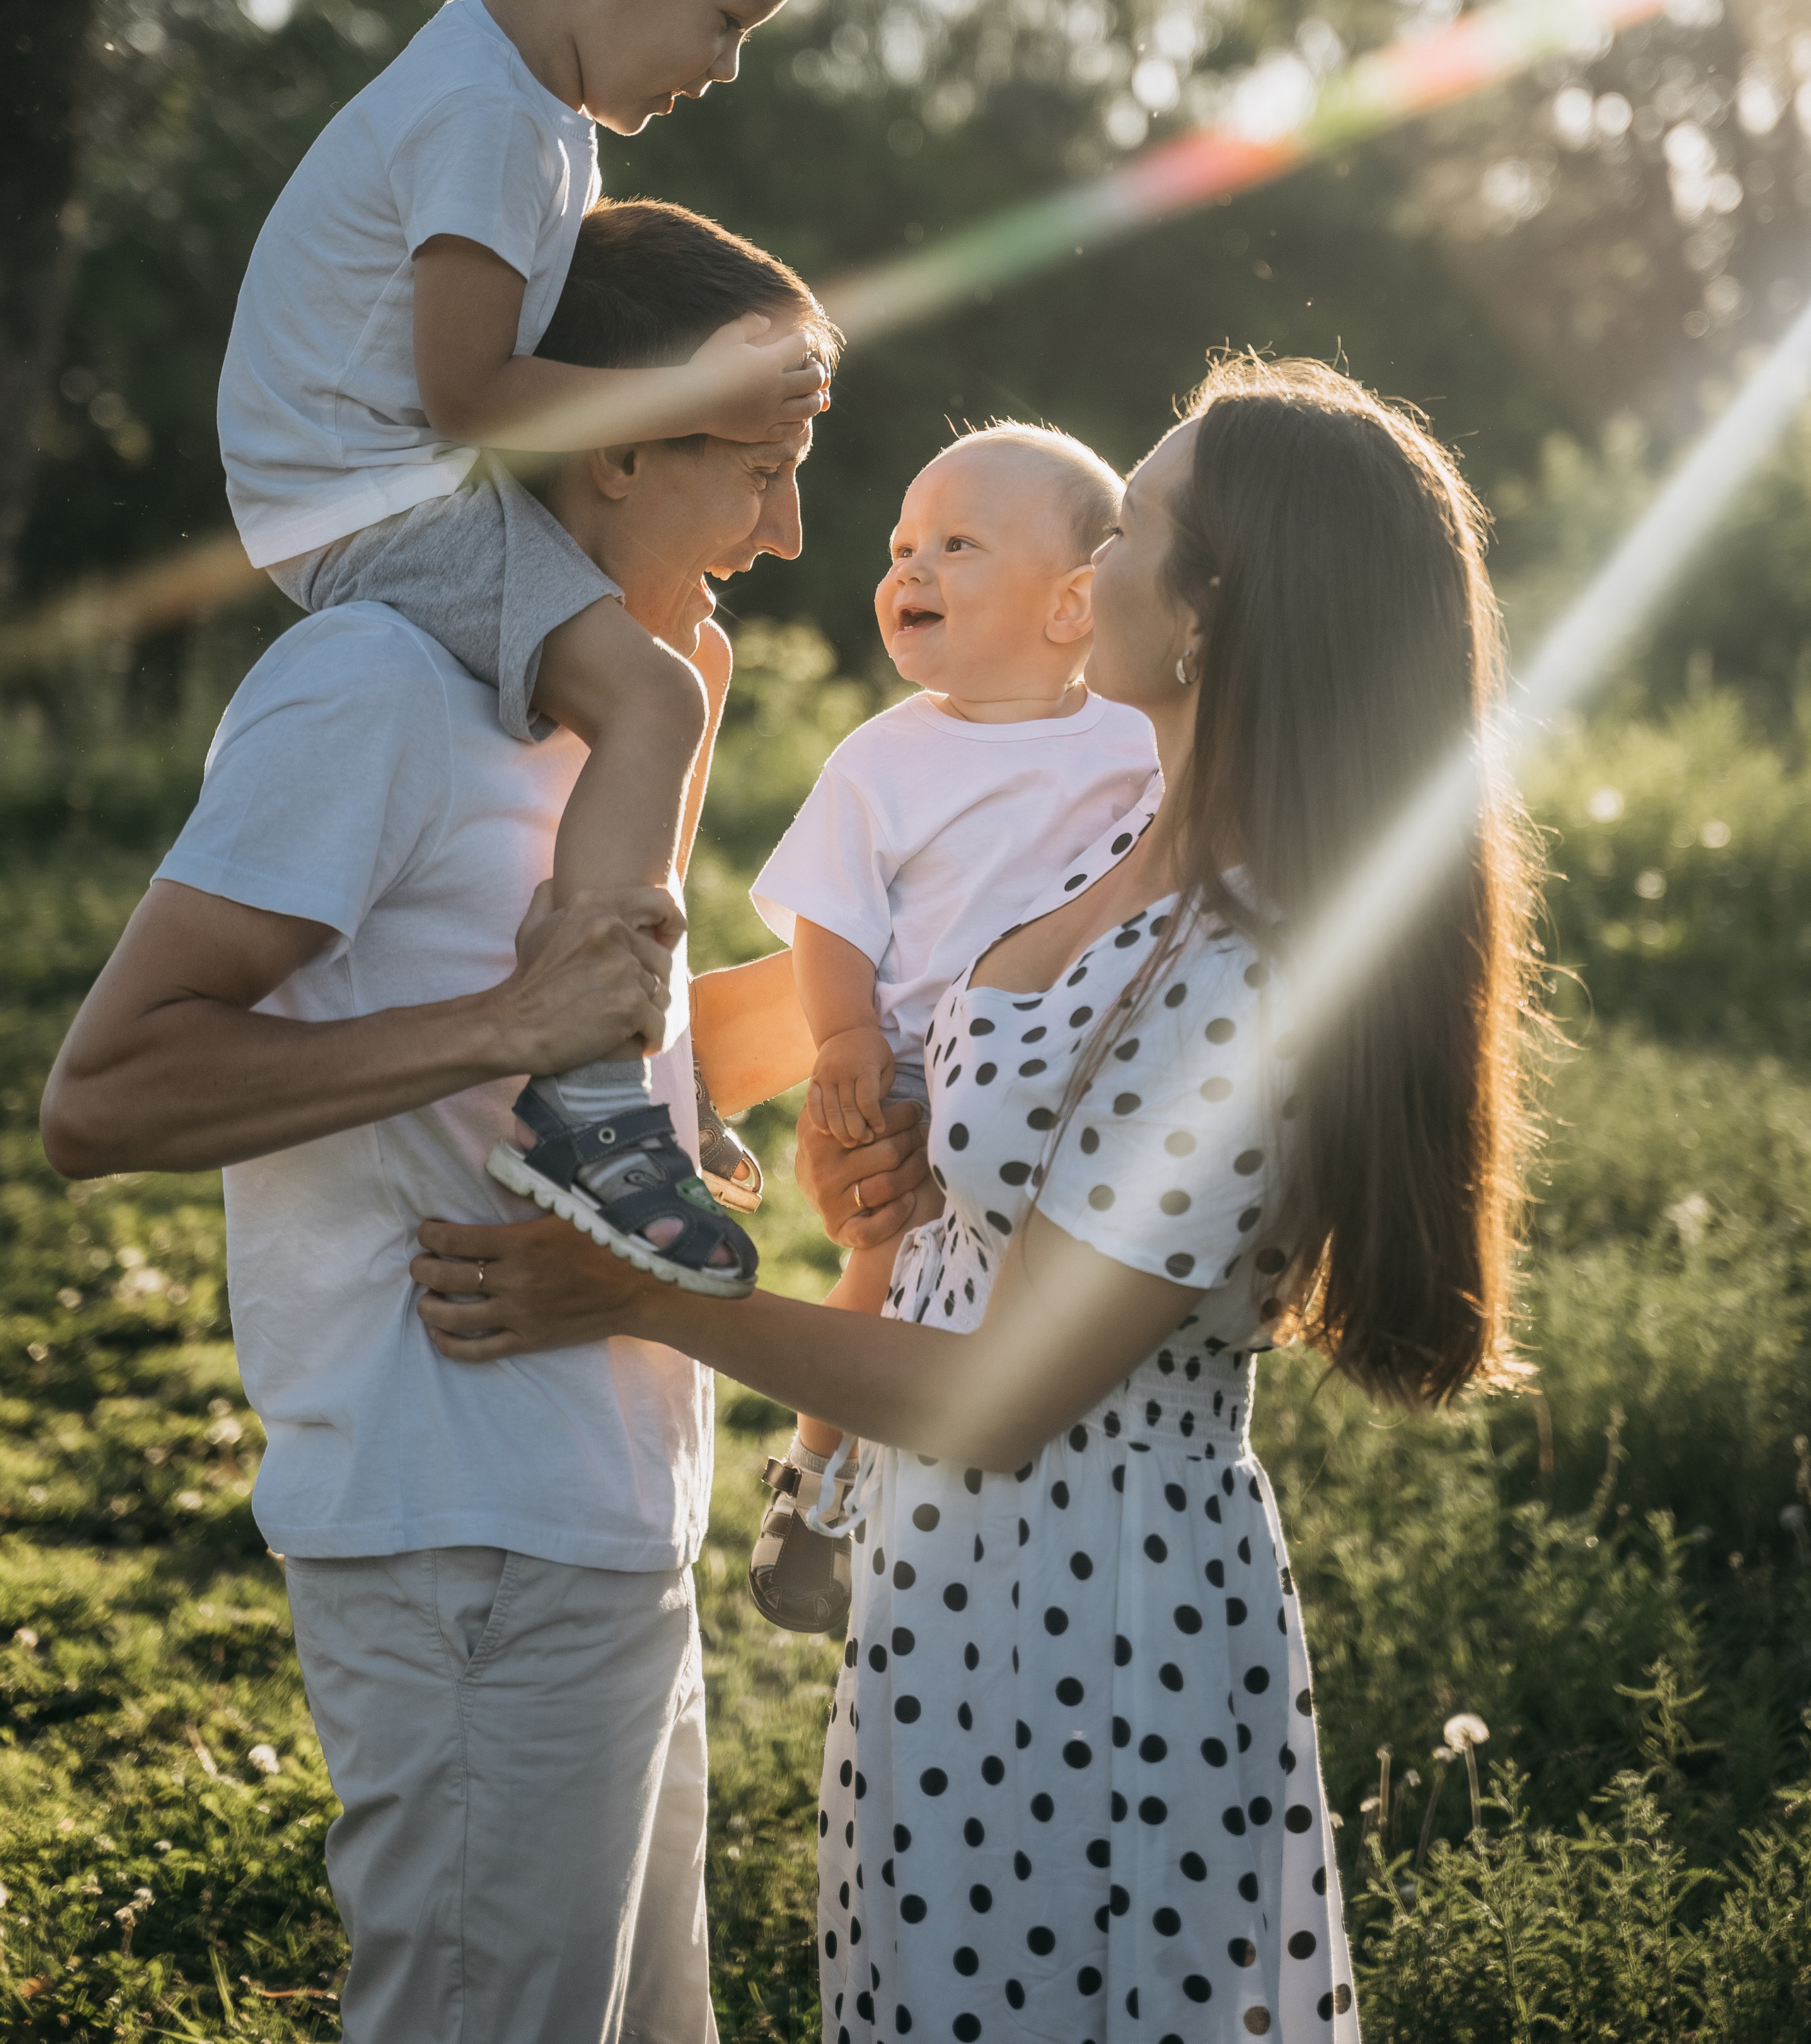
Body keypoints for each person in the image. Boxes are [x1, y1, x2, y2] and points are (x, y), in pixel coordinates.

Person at [413, 357, 1537, 2044]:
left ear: (1215, 610)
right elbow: (891, 1039)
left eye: (1135, 524)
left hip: (1098, 1614)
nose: (1090, 567)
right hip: (957, 1581)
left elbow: (1007, 1397)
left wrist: (640, 1298)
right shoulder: (1127, 837)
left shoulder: (1248, 969)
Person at [40, 208, 854, 2044]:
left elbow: (588, 1056)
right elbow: (107, 1091)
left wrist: (889, 1004)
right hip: (461, 1528)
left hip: (607, 1511)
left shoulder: (604, 722)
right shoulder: (374, 688)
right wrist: (507, 1023)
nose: (790, 533)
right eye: (769, 472)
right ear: (623, 444)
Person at [216, 0, 828, 1281]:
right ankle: (591, 1098)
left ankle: (643, 1066)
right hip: (357, 500)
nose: (729, 63)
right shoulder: (490, 119)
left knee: (677, 651)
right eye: (726, 17)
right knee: (654, 696)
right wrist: (695, 400)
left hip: (364, 485)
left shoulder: (522, 110)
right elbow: (472, 396)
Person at [744, 424, 1157, 1630]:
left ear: (1075, 603)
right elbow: (832, 918)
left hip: (1072, 1070)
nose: (909, 571)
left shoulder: (1136, 739)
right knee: (883, 1256)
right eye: (901, 547)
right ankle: (815, 1477)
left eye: (957, 545)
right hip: (925, 1073)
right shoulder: (885, 758)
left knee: (1038, 1291)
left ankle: (1020, 1477)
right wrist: (843, 1045)